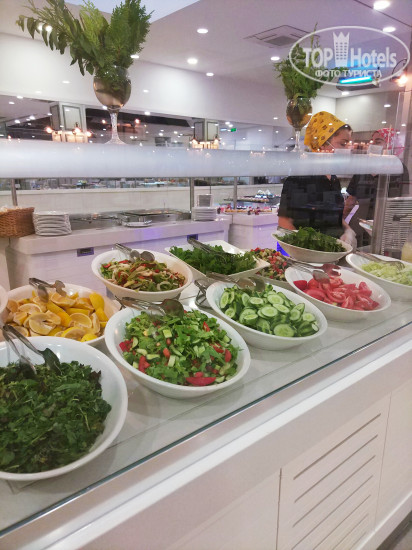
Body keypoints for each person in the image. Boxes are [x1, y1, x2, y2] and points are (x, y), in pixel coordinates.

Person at [278, 111, 356, 247]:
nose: (347, 150)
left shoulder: (333, 179)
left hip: (334, 250)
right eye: (343, 144)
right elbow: (284, 222)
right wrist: (308, 249)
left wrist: (348, 230)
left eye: (348, 145)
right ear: (322, 144)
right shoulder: (300, 178)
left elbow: (334, 216)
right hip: (308, 254)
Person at [343, 128, 410, 221]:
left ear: (391, 145)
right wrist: (341, 220)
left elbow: (402, 201)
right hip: (360, 221)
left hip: (385, 222)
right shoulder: (363, 167)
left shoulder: (398, 168)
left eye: (377, 142)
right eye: (372, 141)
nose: (372, 145)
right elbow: (351, 200)